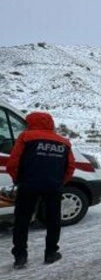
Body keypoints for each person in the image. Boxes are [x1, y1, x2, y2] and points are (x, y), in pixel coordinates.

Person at [7, 112, 75, 269]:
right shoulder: (63, 142)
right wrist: (59, 182)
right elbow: (70, 167)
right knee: (53, 220)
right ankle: (51, 253)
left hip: (28, 185)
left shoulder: (25, 137)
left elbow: (13, 162)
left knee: (22, 220)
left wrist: (18, 180)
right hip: (53, 187)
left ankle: (20, 256)